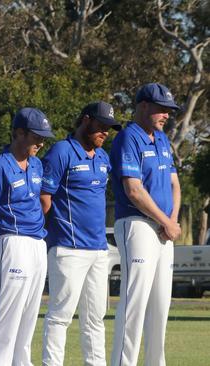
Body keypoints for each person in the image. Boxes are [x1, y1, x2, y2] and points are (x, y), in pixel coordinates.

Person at [40, 101, 121, 366]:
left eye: (109, 128)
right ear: (86, 120)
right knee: (60, 315)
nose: (105, 132)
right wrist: (54, 234)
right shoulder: (62, 151)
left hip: (99, 250)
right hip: (68, 248)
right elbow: (44, 198)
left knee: (95, 318)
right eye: (101, 126)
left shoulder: (103, 157)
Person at [110, 83, 181, 366]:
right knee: (134, 305)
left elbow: (175, 183)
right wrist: (166, 221)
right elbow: (134, 191)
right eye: (161, 109)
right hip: (137, 224)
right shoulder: (129, 137)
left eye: (169, 111)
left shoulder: (162, 139)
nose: (166, 115)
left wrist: (172, 221)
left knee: (160, 306)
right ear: (143, 106)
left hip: (164, 230)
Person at [0, 107, 54, 365]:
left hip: (37, 244)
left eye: (44, 137)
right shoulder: (0, 165)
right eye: (36, 136)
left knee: (28, 317)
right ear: (18, 133)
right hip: (13, 241)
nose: (41, 142)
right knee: (6, 319)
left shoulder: (36, 165)